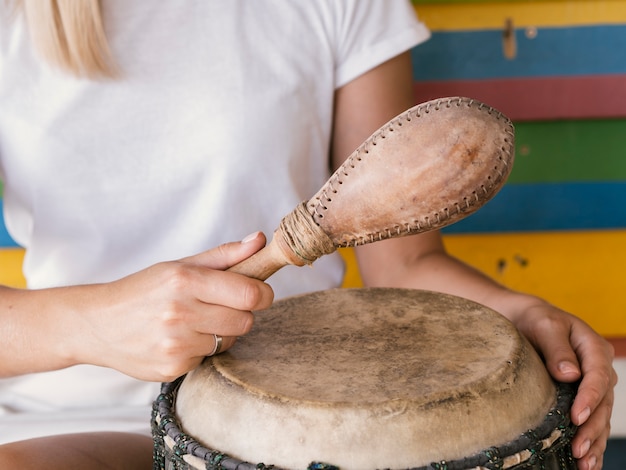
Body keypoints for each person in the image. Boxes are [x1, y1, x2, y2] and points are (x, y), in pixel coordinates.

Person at [0, 1, 616, 469]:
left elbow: (400, 262)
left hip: (315, 435)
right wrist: (92, 324)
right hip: (75, 419)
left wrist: (522, 313)